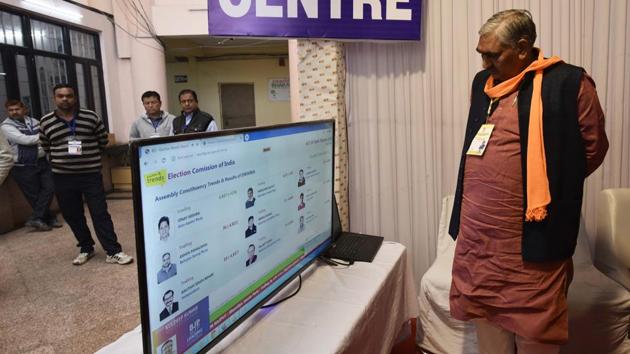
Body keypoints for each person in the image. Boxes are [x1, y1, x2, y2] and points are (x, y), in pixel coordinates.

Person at [448, 10, 608, 354]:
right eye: (482, 54)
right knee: (489, 327)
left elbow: (593, 149)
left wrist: (551, 185)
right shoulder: (483, 83)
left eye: (493, 55)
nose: (485, 62)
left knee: (537, 331)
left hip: (535, 237)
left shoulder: (568, 84)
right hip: (480, 239)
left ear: (523, 48)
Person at [39, 84, 134, 266]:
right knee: (72, 214)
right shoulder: (46, 121)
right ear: (54, 98)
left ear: (75, 97)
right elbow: (46, 145)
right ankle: (86, 247)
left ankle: (113, 251)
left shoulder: (91, 117)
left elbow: (102, 140)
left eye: (69, 95)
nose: (65, 99)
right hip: (63, 177)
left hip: (90, 175)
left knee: (100, 213)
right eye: (60, 96)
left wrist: (87, 157)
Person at [1, 99, 60, 230]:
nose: (14, 112)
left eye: (17, 109)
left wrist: (44, 136)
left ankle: (36, 218)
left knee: (50, 188)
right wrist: (45, 136)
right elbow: (24, 140)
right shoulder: (6, 127)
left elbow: (43, 135)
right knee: (34, 195)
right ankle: (49, 218)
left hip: (42, 162)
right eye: (11, 110)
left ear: (24, 109)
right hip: (22, 166)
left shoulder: (33, 121)